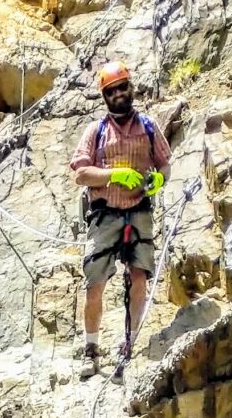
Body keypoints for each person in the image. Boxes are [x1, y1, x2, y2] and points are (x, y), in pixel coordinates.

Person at [69, 61, 171, 375]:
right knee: (95, 282)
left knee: (139, 275)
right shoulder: (96, 131)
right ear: (104, 96)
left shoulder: (149, 127)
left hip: (138, 210)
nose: (118, 95)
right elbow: (81, 173)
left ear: (131, 87)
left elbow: (164, 163)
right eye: (111, 91)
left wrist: (160, 180)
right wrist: (113, 175)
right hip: (104, 214)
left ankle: (131, 340)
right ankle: (91, 347)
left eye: (122, 88)